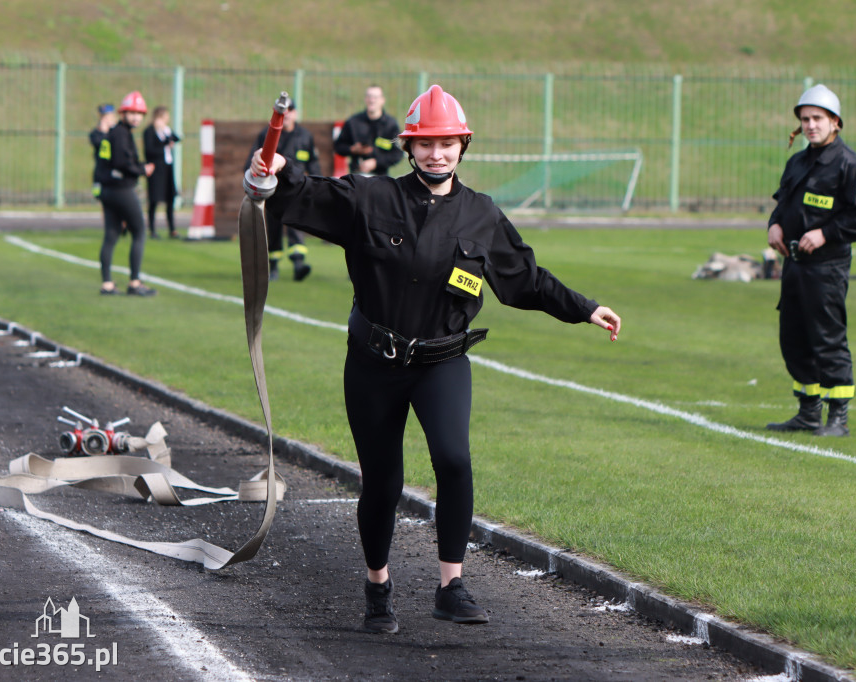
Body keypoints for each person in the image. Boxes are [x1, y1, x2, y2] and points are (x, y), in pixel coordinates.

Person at [250, 85, 621, 634]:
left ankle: (452, 585)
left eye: (447, 143)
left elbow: (525, 281)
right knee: (383, 483)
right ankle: (378, 585)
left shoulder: (481, 215)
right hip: (373, 365)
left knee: (454, 459)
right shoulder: (371, 197)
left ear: (463, 145)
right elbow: (309, 196)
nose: (436, 153)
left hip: (442, 363)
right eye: (426, 144)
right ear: (409, 147)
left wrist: (585, 308)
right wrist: (272, 177)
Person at [765, 84, 856, 437]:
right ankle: (807, 413)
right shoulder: (798, 162)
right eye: (805, 119)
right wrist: (774, 225)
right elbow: (783, 203)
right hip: (795, 265)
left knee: (827, 339)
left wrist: (826, 234)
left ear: (835, 122)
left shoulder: (850, 165)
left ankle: (838, 419)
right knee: (794, 338)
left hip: (827, 268)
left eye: (818, 118)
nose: (811, 125)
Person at [245, 100, 319, 281]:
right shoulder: (268, 133)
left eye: (290, 110)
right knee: (274, 228)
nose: (287, 114)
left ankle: (299, 264)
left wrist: (317, 184)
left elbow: (313, 163)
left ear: (295, 113)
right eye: (284, 111)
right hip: (274, 190)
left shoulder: (305, 136)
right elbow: (254, 159)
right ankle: (274, 266)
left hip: (297, 189)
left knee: (296, 225)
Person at [94, 90, 157, 297]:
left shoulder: (117, 132)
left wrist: (138, 167)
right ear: (123, 113)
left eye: (139, 113)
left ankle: (107, 284)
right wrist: (142, 170)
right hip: (121, 189)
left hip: (108, 190)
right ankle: (134, 282)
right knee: (139, 231)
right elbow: (122, 163)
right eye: (131, 112)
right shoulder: (121, 133)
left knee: (111, 235)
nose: (136, 117)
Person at [333, 84, 403, 176]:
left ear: (382, 100)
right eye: (369, 96)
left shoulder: (390, 125)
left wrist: (376, 162)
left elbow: (397, 154)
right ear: (365, 99)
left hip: (381, 177)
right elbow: (338, 146)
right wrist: (353, 149)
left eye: (375, 97)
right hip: (356, 176)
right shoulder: (353, 122)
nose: (372, 100)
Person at [143, 106, 181, 239]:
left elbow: (177, 138)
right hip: (156, 169)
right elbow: (149, 151)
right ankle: (152, 229)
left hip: (167, 168)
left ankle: (172, 229)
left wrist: (166, 134)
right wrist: (164, 143)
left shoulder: (165, 130)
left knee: (170, 198)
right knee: (154, 199)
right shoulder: (149, 132)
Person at [89, 104, 118, 200]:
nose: (105, 119)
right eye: (103, 116)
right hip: (101, 170)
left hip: (115, 169)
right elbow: (97, 143)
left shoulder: (118, 131)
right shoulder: (96, 133)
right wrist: (103, 132)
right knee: (100, 195)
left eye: (107, 116)